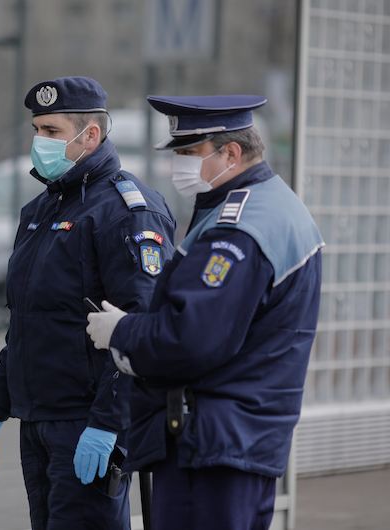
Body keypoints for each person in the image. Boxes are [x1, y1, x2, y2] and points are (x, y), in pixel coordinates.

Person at [86, 95, 325, 530]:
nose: (179, 164)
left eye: (190, 152)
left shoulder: (239, 229)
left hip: (209, 446)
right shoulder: (272, 205)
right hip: (239, 439)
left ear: (231, 153)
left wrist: (122, 332)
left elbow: (191, 338)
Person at [0, 76, 177, 530]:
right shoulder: (41, 210)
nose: (39, 141)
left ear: (91, 135)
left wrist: (107, 423)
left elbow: (140, 328)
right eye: (36, 129)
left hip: (87, 422)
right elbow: (26, 320)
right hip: (39, 419)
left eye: (51, 131)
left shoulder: (126, 211)